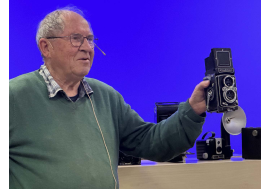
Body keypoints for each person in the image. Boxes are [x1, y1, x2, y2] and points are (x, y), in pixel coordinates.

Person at [9, 7, 210, 189]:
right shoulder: (13, 96)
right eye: (76, 38)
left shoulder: (106, 97)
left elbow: (151, 141)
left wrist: (192, 110)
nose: (87, 48)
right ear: (46, 47)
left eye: (90, 40)